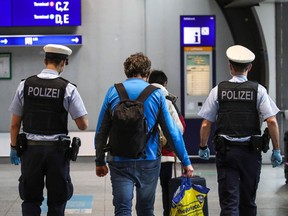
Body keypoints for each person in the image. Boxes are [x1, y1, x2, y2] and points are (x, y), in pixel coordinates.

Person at [94, 52, 193, 216]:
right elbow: (172, 131)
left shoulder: (113, 91)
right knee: (146, 209)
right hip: (148, 160)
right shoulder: (156, 94)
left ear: (126, 71)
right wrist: (185, 161)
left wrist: (99, 160)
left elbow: (101, 130)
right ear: (147, 73)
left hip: (119, 160)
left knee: (122, 209)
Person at [197, 45, 282, 216]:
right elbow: (272, 121)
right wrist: (277, 150)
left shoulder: (218, 91)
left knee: (229, 203)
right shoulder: (259, 91)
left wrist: (203, 146)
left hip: (227, 153)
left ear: (230, 66)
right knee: (248, 201)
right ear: (249, 67)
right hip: (251, 153)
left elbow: (206, 124)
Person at [9, 44, 88, 216]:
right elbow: (83, 124)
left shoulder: (25, 85)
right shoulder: (68, 88)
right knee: (58, 199)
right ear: (64, 63)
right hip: (57, 153)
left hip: (30, 152)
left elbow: (15, 124)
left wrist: (14, 147)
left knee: (30, 198)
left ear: (45, 61)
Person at [148, 70, 184, 216]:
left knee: (146, 190)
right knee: (167, 189)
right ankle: (167, 213)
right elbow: (180, 128)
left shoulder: (143, 98)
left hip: (147, 155)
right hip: (166, 156)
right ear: (165, 83)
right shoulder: (168, 101)